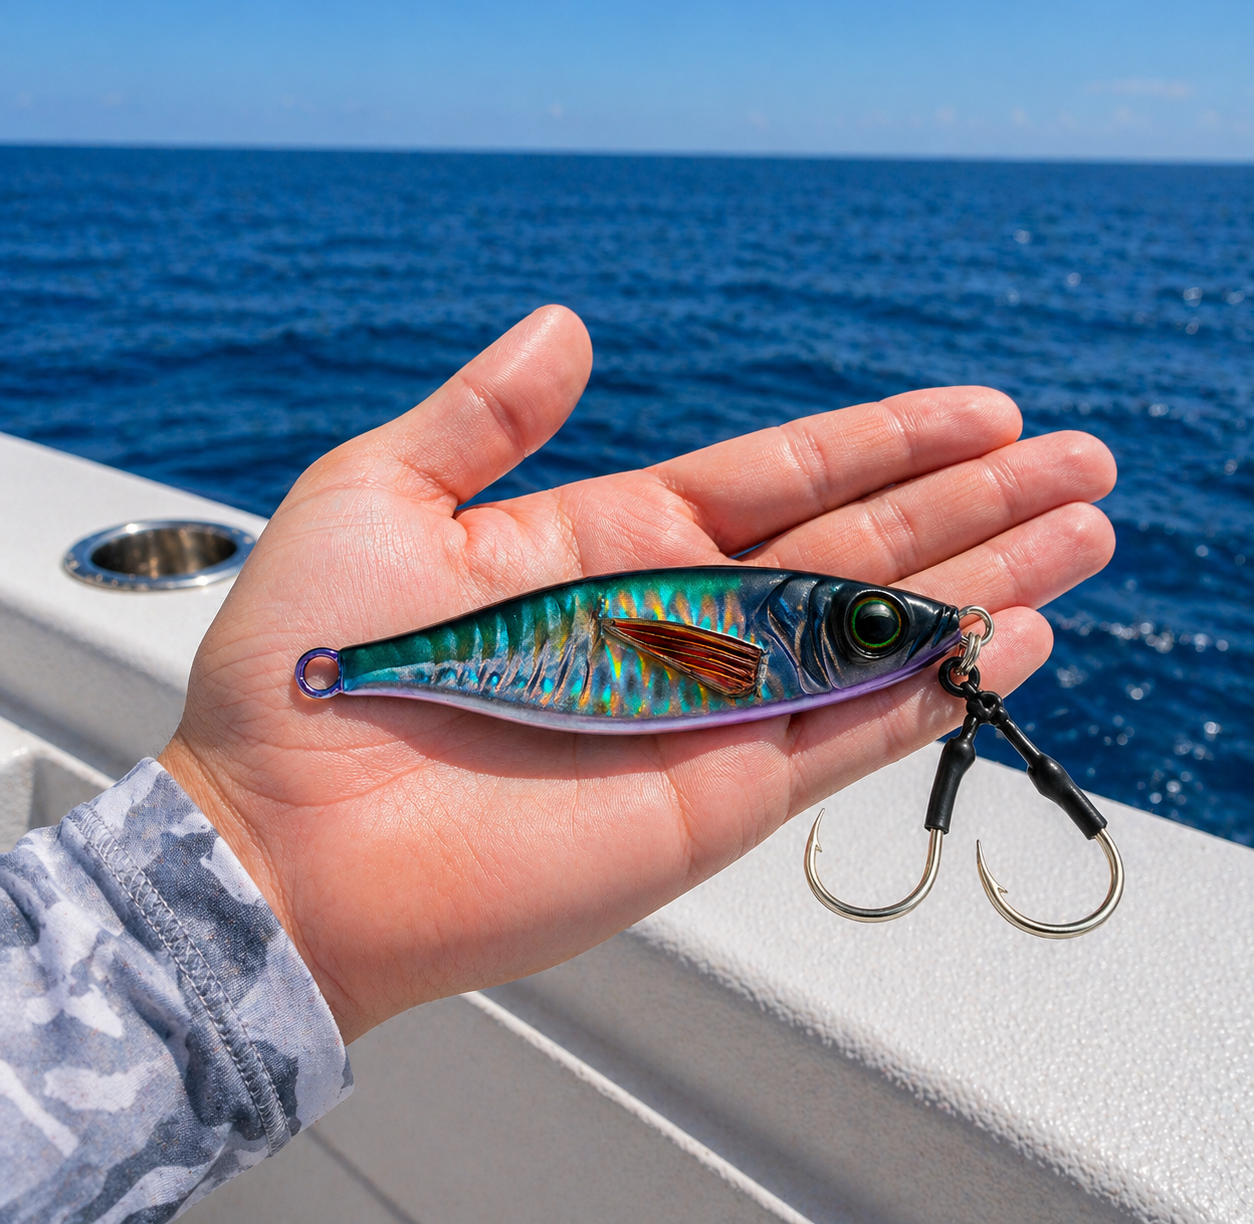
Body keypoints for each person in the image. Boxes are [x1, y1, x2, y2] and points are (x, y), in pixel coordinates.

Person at [0, 306, 1116, 1219]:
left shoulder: (779, 652)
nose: (887, 638)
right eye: (872, 630)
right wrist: (256, 849)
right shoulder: (758, 647)